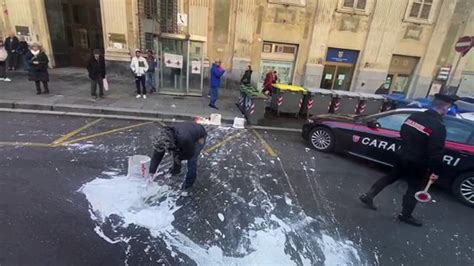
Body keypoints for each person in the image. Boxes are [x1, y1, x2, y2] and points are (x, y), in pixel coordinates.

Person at [359, 94, 458, 227]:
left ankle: (368, 195)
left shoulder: (415, 117)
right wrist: (435, 171)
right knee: (414, 188)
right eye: (448, 108)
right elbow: (436, 152)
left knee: (390, 177)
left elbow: (403, 132)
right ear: (445, 107)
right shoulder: (438, 126)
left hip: (402, 155)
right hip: (418, 163)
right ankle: (405, 215)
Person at [148, 122, 207, 196]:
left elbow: (189, 154)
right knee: (176, 153)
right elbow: (157, 155)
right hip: (186, 133)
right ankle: (176, 171)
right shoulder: (162, 138)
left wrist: (179, 158)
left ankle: (188, 186)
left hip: (199, 137)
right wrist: (151, 172)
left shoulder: (184, 139)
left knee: (192, 161)